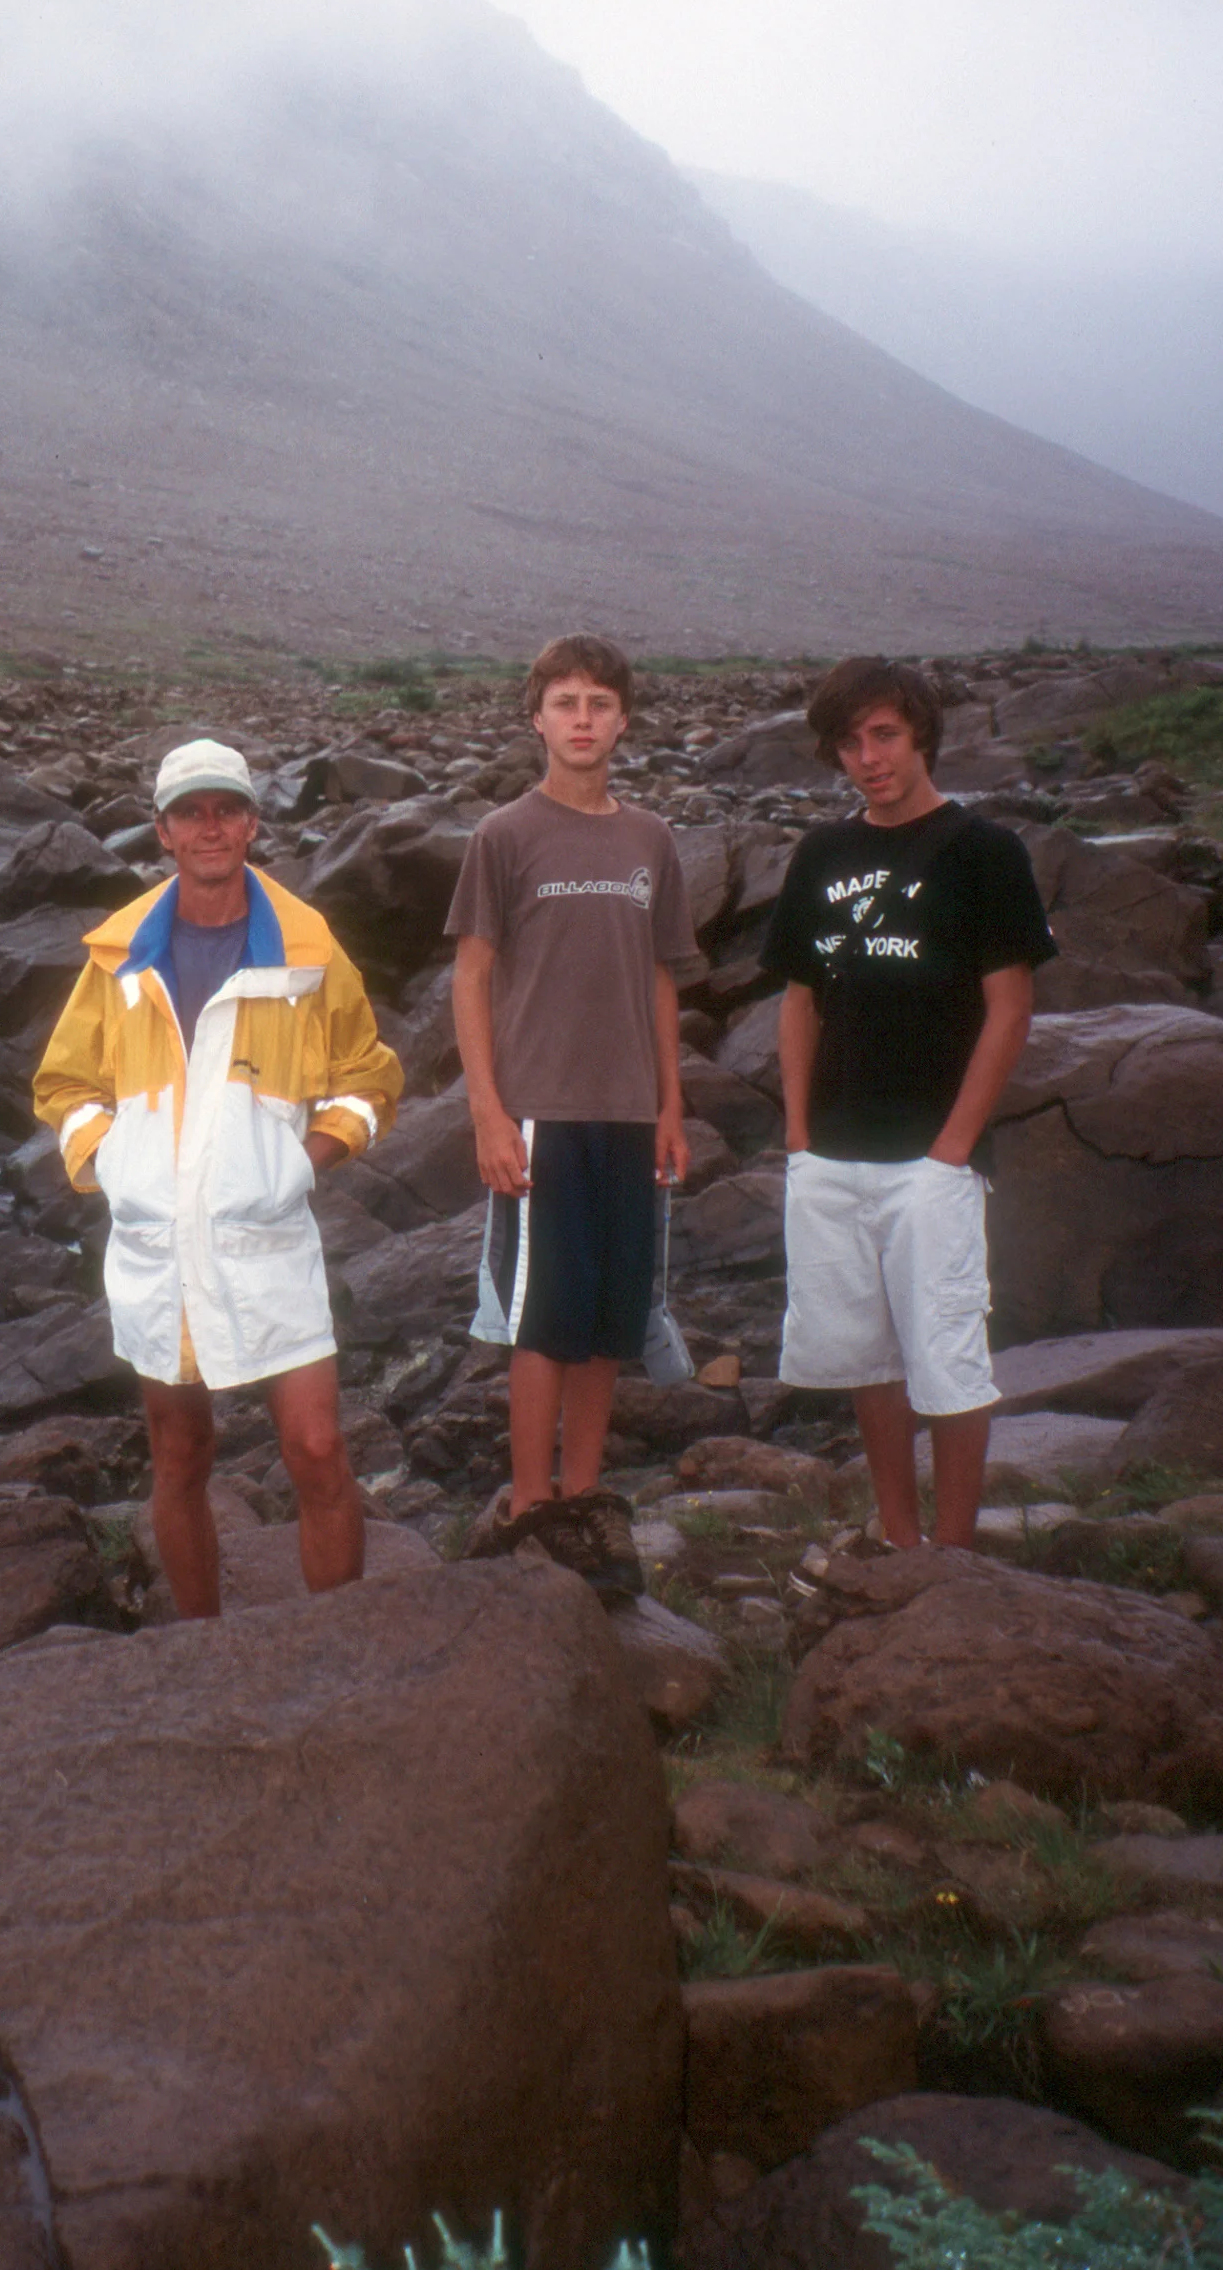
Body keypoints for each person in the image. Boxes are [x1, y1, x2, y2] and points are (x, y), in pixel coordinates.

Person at [34, 735, 403, 1619]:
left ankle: (337, 1644)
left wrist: (300, 1163)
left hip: (268, 1236)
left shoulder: (307, 951)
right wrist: (116, 1166)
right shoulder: (116, 958)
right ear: (161, 831)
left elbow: (371, 1077)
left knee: (316, 1449)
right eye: (190, 813)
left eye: (226, 810)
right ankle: (202, 1648)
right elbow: (64, 1086)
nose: (210, 828)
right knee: (179, 1455)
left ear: (251, 822)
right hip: (158, 1244)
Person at [761, 656, 1055, 1549]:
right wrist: (801, 1138)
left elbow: (1010, 1008)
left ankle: (954, 1559)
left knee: (950, 1362)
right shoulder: (823, 853)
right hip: (835, 1154)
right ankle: (898, 1539)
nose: (867, 758)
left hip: (934, 1158)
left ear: (920, 732)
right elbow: (800, 999)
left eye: (883, 734)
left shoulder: (984, 853)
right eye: (848, 743)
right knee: (867, 1362)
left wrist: (953, 1148)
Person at [447, 633, 701, 1593]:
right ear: (537, 717)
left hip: (630, 1112)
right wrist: (486, 1113)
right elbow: (470, 979)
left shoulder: (651, 840)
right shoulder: (504, 836)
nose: (583, 720)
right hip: (541, 1110)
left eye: (600, 703)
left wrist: (672, 1104)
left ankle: (586, 1501)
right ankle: (531, 1507)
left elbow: (661, 980)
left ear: (624, 718)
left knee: (609, 1319)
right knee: (541, 1323)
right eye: (565, 703)